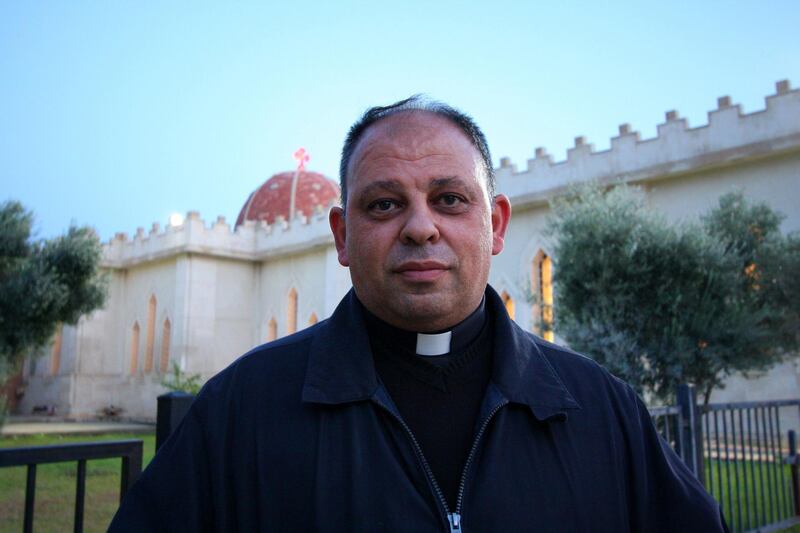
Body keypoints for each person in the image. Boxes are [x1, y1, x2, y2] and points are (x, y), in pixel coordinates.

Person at [110, 96, 728, 532]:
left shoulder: (600, 412)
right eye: (384, 205)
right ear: (343, 236)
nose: (421, 227)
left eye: (450, 199)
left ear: (494, 225)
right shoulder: (240, 414)